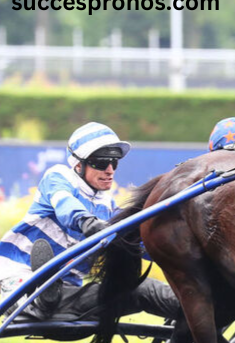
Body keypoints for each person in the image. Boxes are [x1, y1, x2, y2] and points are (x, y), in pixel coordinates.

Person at [0, 122, 181, 322]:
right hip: (17, 279)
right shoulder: (59, 177)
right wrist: (87, 222)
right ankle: (40, 297)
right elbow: (65, 204)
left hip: (69, 296)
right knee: (38, 292)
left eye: (114, 162)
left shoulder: (108, 208)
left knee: (145, 290)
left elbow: (138, 245)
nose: (110, 170)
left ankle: (201, 310)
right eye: (102, 162)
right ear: (79, 164)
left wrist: (174, 254)